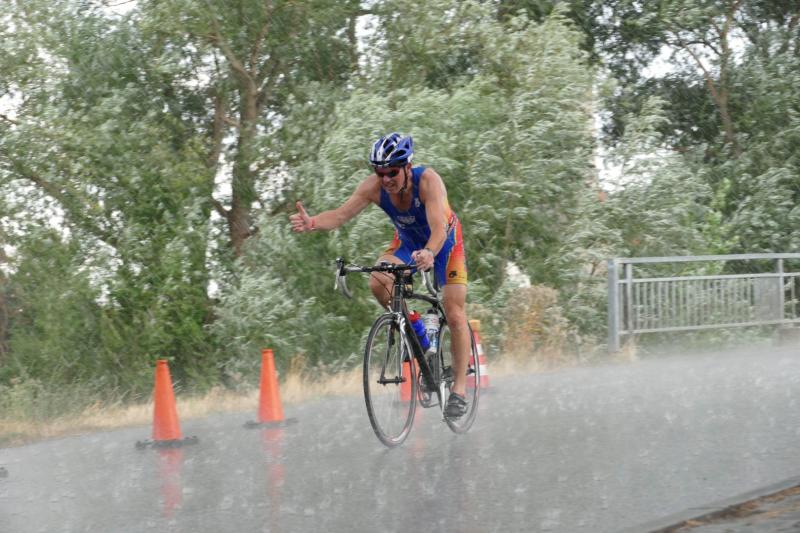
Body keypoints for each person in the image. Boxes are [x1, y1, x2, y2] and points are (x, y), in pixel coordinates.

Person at [289, 132, 471, 418]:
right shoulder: (373, 187)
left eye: (392, 172)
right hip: (407, 243)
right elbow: (340, 215)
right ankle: (419, 338)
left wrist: (429, 252)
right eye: (380, 172)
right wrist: (313, 222)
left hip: (445, 243)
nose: (386, 179)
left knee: (454, 312)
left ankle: (459, 391)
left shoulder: (428, 181)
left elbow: (438, 229)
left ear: (408, 167)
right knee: (379, 280)